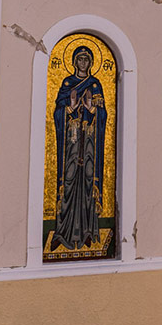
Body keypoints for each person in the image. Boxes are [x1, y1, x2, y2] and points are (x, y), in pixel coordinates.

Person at [51, 44, 107, 252]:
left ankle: (88, 232)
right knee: (69, 181)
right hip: (71, 142)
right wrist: (69, 108)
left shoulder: (95, 84)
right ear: (74, 62)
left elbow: (103, 115)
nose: (83, 63)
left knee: (87, 182)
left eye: (86, 60)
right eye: (80, 59)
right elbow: (57, 112)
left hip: (89, 143)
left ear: (91, 63)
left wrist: (92, 110)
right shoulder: (67, 83)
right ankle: (62, 232)